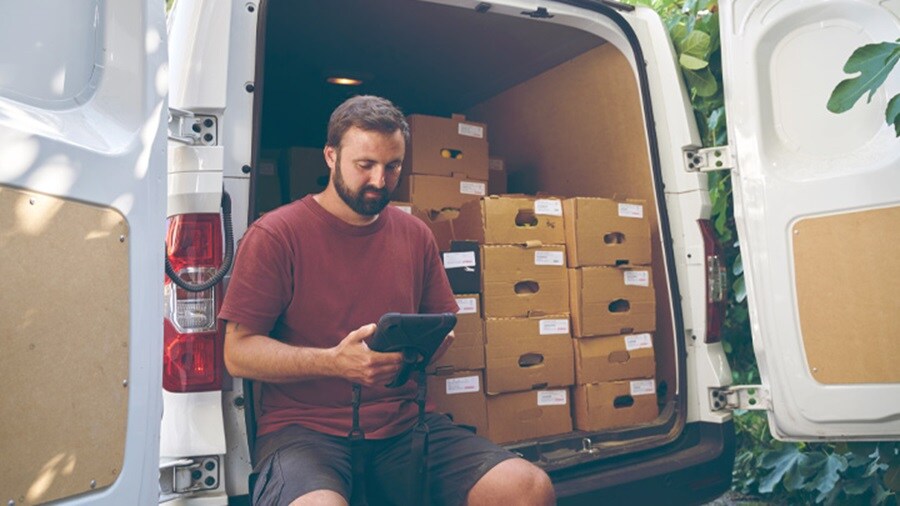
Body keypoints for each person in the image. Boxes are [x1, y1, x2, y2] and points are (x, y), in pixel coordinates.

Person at [220, 95, 555, 506]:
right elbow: (238, 353)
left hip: (406, 424)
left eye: (392, 165)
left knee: (528, 488)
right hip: (305, 431)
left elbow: (443, 323)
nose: (380, 180)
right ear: (330, 156)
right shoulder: (275, 235)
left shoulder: (415, 234)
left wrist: (420, 348)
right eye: (365, 165)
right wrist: (334, 362)